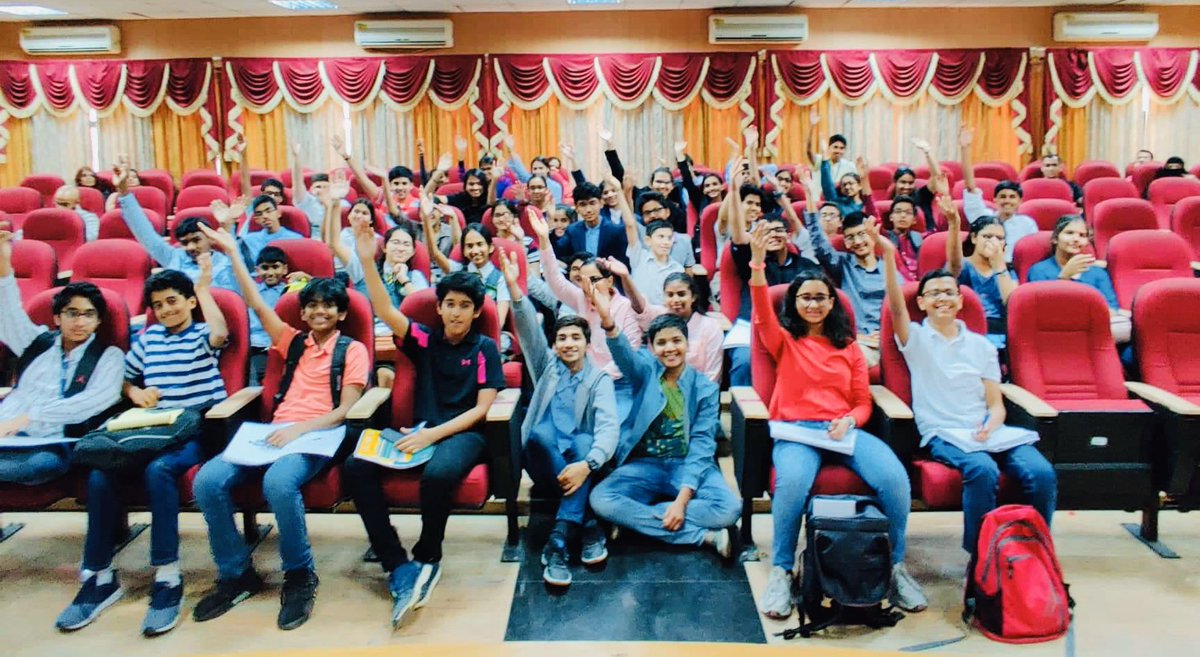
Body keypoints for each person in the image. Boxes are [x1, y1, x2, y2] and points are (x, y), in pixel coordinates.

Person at [191, 225, 368, 631]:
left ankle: (300, 574)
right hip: (274, 433)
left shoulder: (352, 350)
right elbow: (255, 302)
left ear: (341, 313)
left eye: (328, 307)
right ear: (302, 312)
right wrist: (234, 253)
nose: (319, 312)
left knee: (278, 483)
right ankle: (236, 573)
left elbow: (345, 410)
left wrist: (299, 430)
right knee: (207, 480)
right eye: (312, 307)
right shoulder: (291, 341)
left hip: (320, 434)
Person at [746, 223, 926, 619]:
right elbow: (760, 306)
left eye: (820, 298)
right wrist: (758, 263)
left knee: (894, 478)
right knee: (793, 482)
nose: (812, 304)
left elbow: (863, 402)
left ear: (832, 304)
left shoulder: (849, 348)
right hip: (796, 432)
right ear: (793, 303)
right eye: (805, 298)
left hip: (840, 431)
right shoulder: (783, 340)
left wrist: (850, 419)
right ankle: (781, 569)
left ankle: (893, 566)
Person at [344, 219, 504, 628]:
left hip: (463, 434)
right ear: (438, 307)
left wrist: (432, 433)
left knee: (438, 475)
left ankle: (428, 554)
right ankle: (396, 561)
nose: (455, 312)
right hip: (420, 432)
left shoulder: (484, 347)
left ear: (476, 311)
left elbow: (482, 408)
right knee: (355, 467)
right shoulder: (424, 339)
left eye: (465, 306)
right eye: (449, 304)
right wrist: (366, 261)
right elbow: (383, 310)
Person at [58, 263, 229, 635]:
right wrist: (135, 392)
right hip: (149, 429)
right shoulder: (148, 340)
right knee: (102, 475)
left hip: (194, 428)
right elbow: (123, 378)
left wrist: (203, 289)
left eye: (173, 301)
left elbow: (220, 332)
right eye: (159, 305)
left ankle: (167, 576)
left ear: (189, 302)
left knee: (160, 471)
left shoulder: (201, 334)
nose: (167, 310)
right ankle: (100, 576)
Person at [881, 241, 1056, 555]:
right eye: (934, 293)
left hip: (989, 432)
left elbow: (995, 404)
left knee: (1041, 473)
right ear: (921, 302)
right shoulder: (916, 339)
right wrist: (888, 255)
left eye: (949, 292)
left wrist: (991, 425)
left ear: (961, 301)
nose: (943, 298)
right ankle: (982, 557)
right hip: (944, 433)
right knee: (982, 471)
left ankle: (1035, 552)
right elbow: (895, 307)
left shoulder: (982, 346)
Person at [588, 279, 740, 558]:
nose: (669, 349)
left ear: (686, 343)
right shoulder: (644, 370)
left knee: (729, 509)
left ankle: (634, 522)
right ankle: (702, 537)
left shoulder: (704, 389)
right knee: (601, 499)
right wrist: (608, 321)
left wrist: (680, 503)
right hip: (644, 464)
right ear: (651, 347)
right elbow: (623, 355)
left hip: (686, 465)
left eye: (676, 341)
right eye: (661, 343)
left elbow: (702, 445)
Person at [501, 250, 616, 586]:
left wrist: (588, 464)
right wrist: (514, 289)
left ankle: (560, 539)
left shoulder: (599, 380)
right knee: (539, 434)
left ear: (586, 343)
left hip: (579, 464)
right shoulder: (546, 367)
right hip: (542, 461)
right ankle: (589, 523)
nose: (568, 344)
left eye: (575, 338)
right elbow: (527, 329)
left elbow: (608, 429)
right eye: (561, 338)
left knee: (584, 440)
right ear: (554, 344)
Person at [0, 232, 124, 486]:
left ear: (98, 321)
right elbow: (8, 314)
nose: (80, 322)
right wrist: (4, 268)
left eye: (89, 315)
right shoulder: (36, 343)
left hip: (54, 442)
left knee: (40, 466)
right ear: (57, 318)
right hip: (5, 432)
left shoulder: (108, 357)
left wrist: (30, 417)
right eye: (72, 313)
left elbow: (89, 403)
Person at [804, 167, 889, 367]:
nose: (857, 241)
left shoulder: (889, 269)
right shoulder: (842, 264)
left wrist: (887, 331)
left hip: (887, 339)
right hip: (856, 340)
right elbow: (818, 244)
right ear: (846, 243)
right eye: (850, 238)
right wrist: (809, 193)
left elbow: (900, 306)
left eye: (862, 235)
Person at [112, 157, 238, 293]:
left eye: (196, 240)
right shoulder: (174, 257)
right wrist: (124, 192)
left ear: (210, 238)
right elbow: (145, 233)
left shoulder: (225, 263)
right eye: (185, 243)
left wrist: (228, 226)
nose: (191, 247)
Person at [1027, 215, 1131, 345]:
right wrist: (1064, 278)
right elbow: (1044, 312)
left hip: (1094, 330)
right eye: (1069, 233)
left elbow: (1111, 311)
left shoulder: (1098, 273)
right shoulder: (1039, 270)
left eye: (1082, 235)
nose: (1076, 239)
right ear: (1055, 238)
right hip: (1055, 333)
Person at [613, 265, 723, 384]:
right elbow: (639, 307)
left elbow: (713, 374)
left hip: (697, 393)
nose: (675, 300)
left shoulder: (710, 327)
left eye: (681, 294)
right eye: (670, 295)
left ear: (693, 297)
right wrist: (625, 277)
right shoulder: (658, 316)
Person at [945, 195, 1015, 350]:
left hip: (1000, 333)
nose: (993, 241)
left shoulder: (1007, 269)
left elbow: (1013, 304)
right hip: (966, 330)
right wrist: (954, 225)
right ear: (974, 238)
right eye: (987, 236)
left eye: (999, 238)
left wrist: (998, 266)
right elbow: (954, 266)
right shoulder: (964, 264)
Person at [959, 128, 1037, 262]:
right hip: (984, 267)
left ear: (1020, 201)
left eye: (1012, 197)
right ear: (994, 200)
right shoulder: (983, 216)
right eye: (1002, 197)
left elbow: (1031, 254)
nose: (1007, 201)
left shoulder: (1027, 224)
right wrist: (965, 149)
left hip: (1013, 271)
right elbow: (970, 187)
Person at [623, 184, 684, 306]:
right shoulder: (639, 256)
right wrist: (622, 192)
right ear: (648, 240)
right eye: (660, 237)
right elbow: (629, 224)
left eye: (669, 238)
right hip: (639, 314)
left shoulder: (678, 269)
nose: (666, 242)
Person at [552, 182, 629, 265]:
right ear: (577, 208)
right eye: (583, 204)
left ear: (601, 203)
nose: (588, 209)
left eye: (592, 203)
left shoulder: (616, 231)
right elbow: (558, 254)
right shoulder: (572, 231)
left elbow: (624, 263)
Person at [246, 246, 291, 385]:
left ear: (285, 269)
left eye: (275, 267)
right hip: (258, 345)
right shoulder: (252, 292)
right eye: (265, 268)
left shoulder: (291, 290)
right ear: (257, 270)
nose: (270, 273)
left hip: (284, 343)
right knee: (260, 380)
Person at [237, 193, 305, 265]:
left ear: (278, 213)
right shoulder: (248, 240)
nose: (265, 216)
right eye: (259, 214)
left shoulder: (296, 239)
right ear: (256, 219)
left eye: (268, 211)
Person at [889, 138, 942, 227]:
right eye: (903, 182)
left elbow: (937, 178)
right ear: (895, 182)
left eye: (910, 183)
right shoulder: (890, 201)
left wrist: (927, 152)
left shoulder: (921, 195)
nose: (907, 186)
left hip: (927, 235)